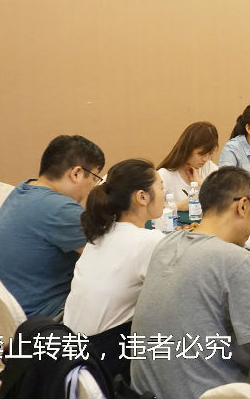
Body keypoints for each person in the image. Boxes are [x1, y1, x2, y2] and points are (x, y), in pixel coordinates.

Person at [131, 166, 250, 399]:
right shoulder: (235, 259)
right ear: (242, 206)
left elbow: (226, 281)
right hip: (208, 394)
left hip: (150, 391)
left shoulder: (168, 243)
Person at [0, 135, 105, 318]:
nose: (92, 187)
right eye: (95, 178)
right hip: (38, 320)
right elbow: (109, 260)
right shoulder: (60, 209)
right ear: (76, 173)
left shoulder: (24, 189)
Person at [63, 159, 165, 379]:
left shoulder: (101, 234)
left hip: (70, 354)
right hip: (103, 361)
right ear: (142, 197)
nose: (164, 195)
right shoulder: (148, 241)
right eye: (161, 188)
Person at [157, 121, 219, 210]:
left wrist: (203, 183)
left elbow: (228, 196)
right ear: (187, 149)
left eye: (210, 154)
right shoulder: (164, 175)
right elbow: (151, 208)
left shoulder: (208, 167)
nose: (206, 159)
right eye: (201, 154)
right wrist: (179, 205)